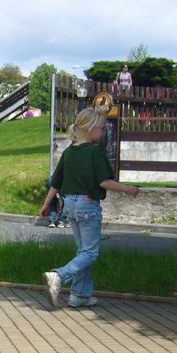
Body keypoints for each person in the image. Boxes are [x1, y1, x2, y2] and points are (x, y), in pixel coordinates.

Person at [40, 108, 139, 309]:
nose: (103, 133)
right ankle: (59, 275)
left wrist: (46, 204)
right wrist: (129, 189)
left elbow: (56, 182)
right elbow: (104, 181)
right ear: (90, 128)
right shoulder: (94, 151)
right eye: (101, 129)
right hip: (87, 206)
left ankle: (79, 295)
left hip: (69, 205)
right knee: (90, 253)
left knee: (82, 252)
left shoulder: (69, 152)